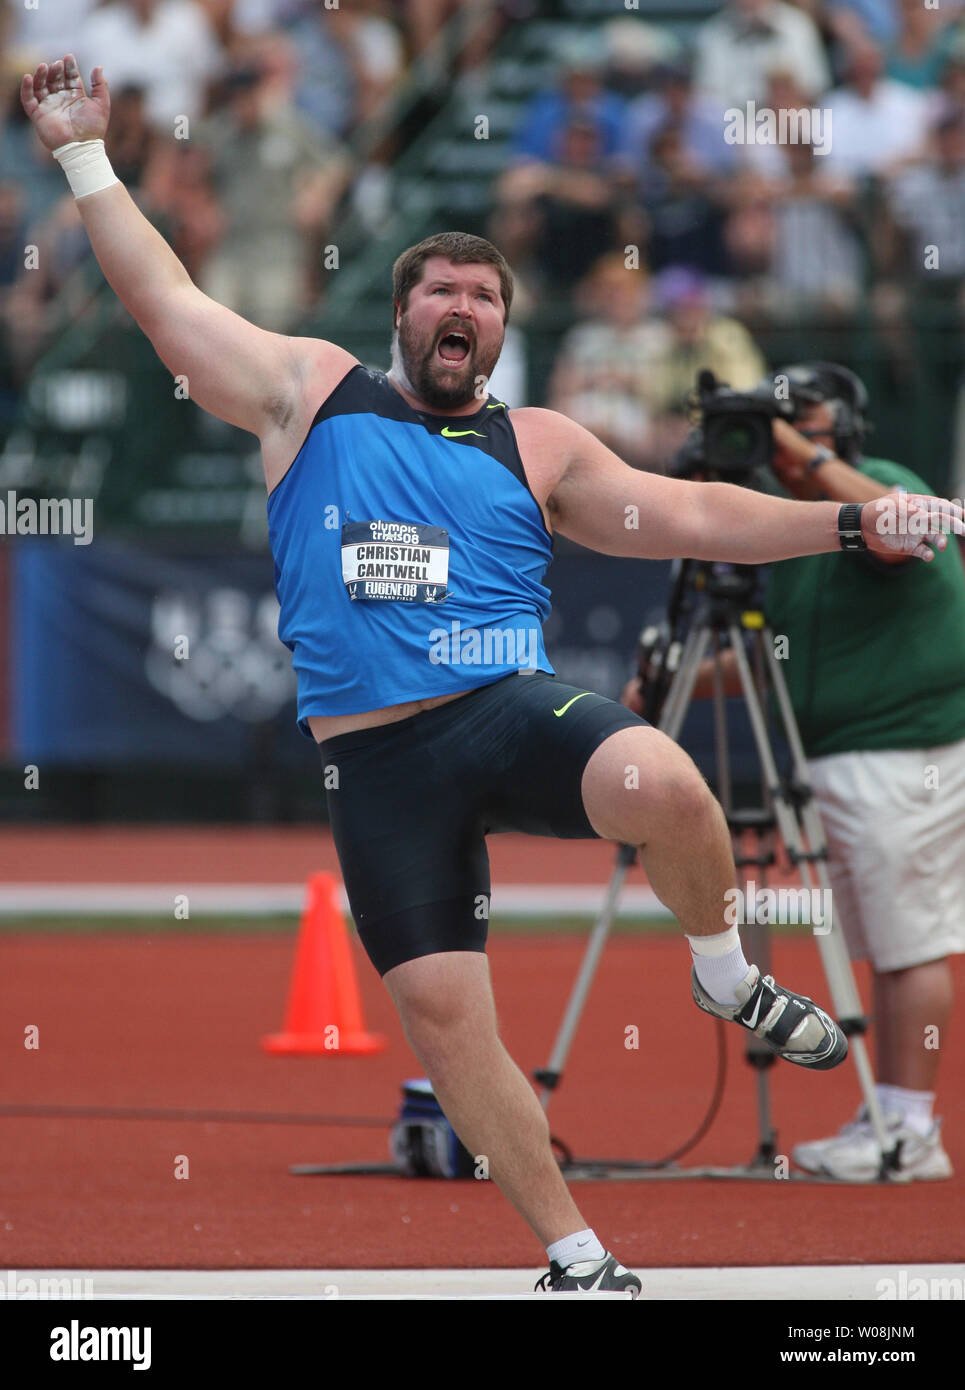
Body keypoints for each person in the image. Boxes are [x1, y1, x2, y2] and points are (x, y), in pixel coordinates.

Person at [24, 56, 963, 1294]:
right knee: (452, 1029)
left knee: (671, 785)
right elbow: (165, 300)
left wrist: (847, 524)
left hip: (506, 709)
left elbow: (690, 510)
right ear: (402, 313)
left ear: (505, 329)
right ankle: (574, 1251)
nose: (462, 306)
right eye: (440, 290)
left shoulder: (540, 443)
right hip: (376, 762)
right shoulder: (307, 394)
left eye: (485, 295)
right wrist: (84, 156)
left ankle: (724, 972)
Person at [624, 363, 965, 1181]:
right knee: (882, 942)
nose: (777, 443)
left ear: (840, 431)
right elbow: (771, 653)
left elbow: (905, 528)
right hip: (844, 752)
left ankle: (910, 1132)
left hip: (905, 747)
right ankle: (889, 1118)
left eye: (800, 424)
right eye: (767, 426)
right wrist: (675, 681)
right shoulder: (793, 521)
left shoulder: (877, 486)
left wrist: (796, 456)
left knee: (908, 941)